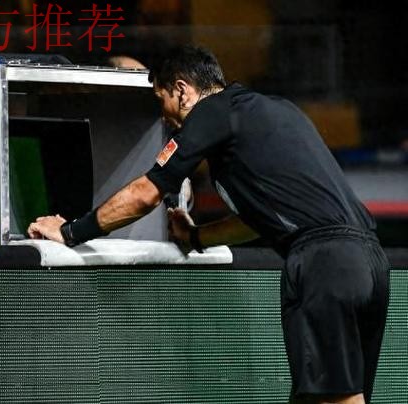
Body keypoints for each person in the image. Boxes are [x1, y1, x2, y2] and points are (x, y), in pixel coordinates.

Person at [27, 45, 389, 404]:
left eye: (161, 100)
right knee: (318, 397)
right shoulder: (277, 111)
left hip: (324, 266)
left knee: (336, 400)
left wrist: (71, 232)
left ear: (182, 90)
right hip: (370, 263)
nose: (164, 117)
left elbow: (145, 194)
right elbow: (255, 222)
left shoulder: (212, 111)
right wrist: (196, 236)